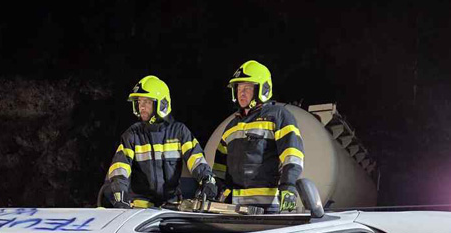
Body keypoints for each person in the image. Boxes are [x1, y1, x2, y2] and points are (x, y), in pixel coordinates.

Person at [104, 75, 217, 208]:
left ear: (161, 104)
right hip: (141, 207)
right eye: (139, 102)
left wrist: (207, 180)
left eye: (147, 102)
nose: (141, 107)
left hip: (172, 206)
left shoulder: (179, 131)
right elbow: (120, 167)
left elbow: (196, 159)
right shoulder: (132, 135)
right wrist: (119, 193)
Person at [213, 60, 304, 212]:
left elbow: (292, 155)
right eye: (239, 88)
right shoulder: (231, 127)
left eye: (247, 88)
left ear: (263, 89)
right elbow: (220, 167)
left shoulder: (279, 116)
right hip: (235, 209)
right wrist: (216, 190)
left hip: (269, 208)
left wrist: (288, 187)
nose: (241, 93)